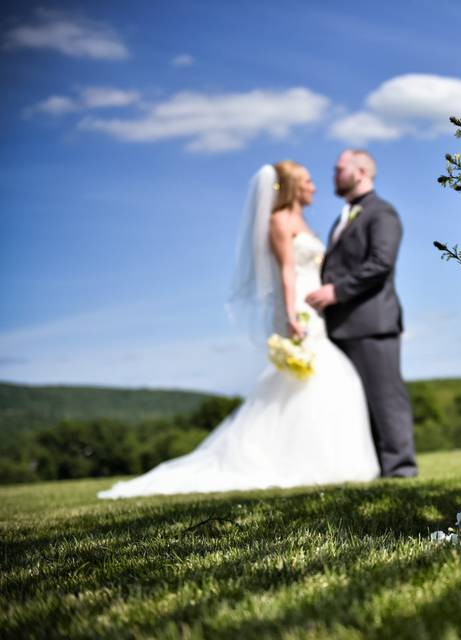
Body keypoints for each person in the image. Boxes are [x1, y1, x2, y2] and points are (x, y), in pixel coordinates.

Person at [98, 161, 380, 499]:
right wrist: (291, 314)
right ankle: (293, 459)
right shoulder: (279, 220)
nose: (314, 186)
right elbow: (287, 271)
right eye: (307, 181)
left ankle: (323, 458)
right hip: (298, 310)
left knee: (322, 380)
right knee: (311, 380)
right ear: (290, 186)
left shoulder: (303, 220)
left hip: (315, 309)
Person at [306, 150, 417, 478]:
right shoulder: (344, 216)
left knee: (385, 399)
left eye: (339, 169)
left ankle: (400, 469)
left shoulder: (382, 213)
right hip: (343, 325)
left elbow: (381, 264)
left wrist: (335, 291)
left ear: (362, 171)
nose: (334, 175)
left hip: (372, 322)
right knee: (359, 404)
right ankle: (377, 467)